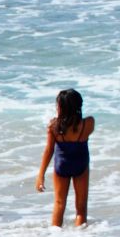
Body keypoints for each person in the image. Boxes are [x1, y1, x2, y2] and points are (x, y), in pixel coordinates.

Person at [37, 88, 94, 228]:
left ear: (60, 107)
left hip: (62, 166)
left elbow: (49, 150)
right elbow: (82, 130)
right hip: (81, 164)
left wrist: (41, 175)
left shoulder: (54, 126)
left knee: (59, 203)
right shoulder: (88, 123)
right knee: (81, 207)